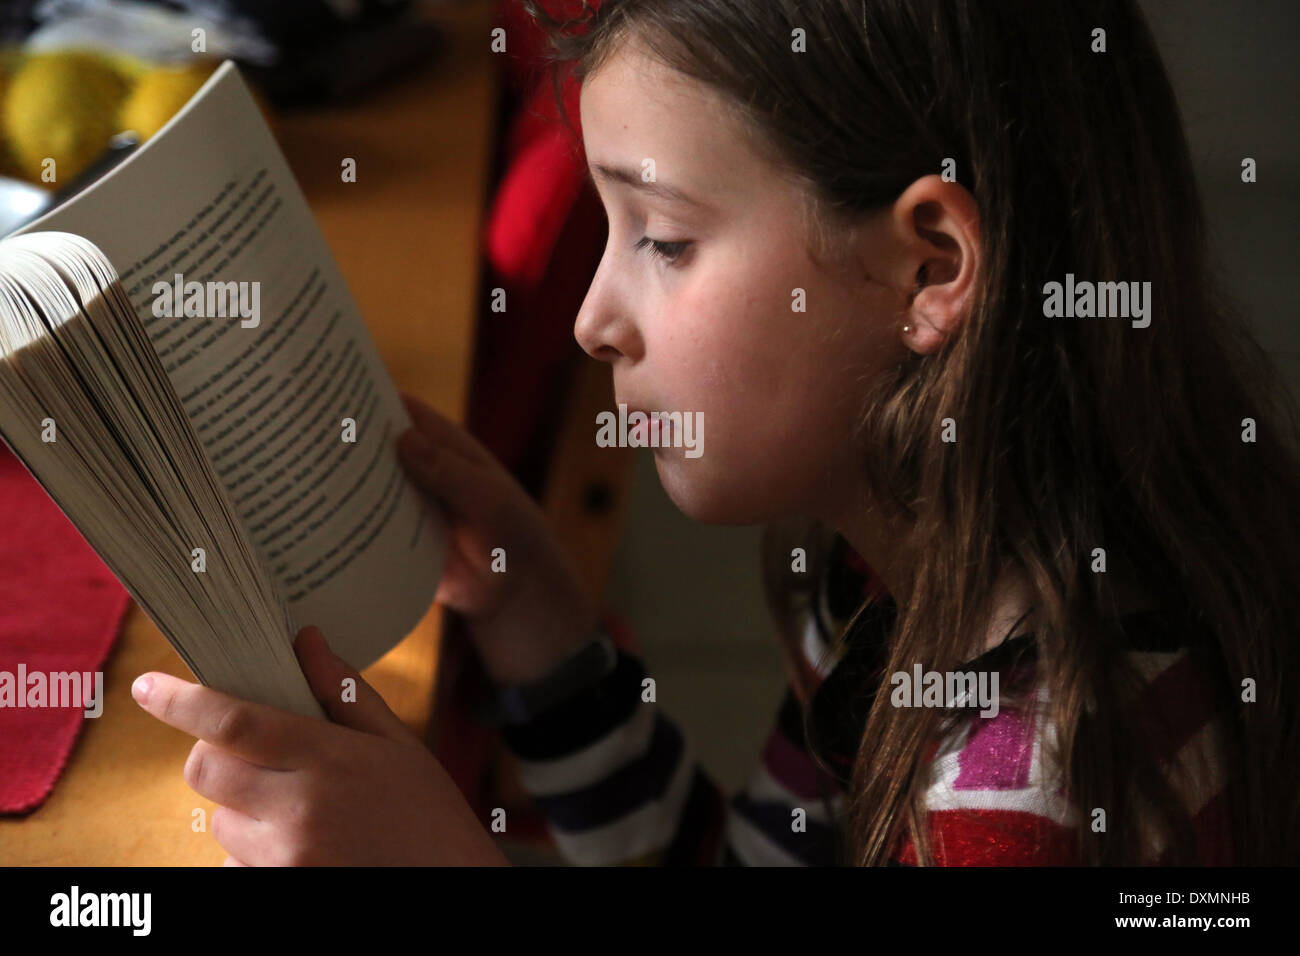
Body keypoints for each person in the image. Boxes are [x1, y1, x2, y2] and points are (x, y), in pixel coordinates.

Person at [133, 0, 1300, 865]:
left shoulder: (1027, 793)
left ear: (928, 268)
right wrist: (545, 628)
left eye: (665, 238)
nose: (594, 319)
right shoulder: (877, 576)